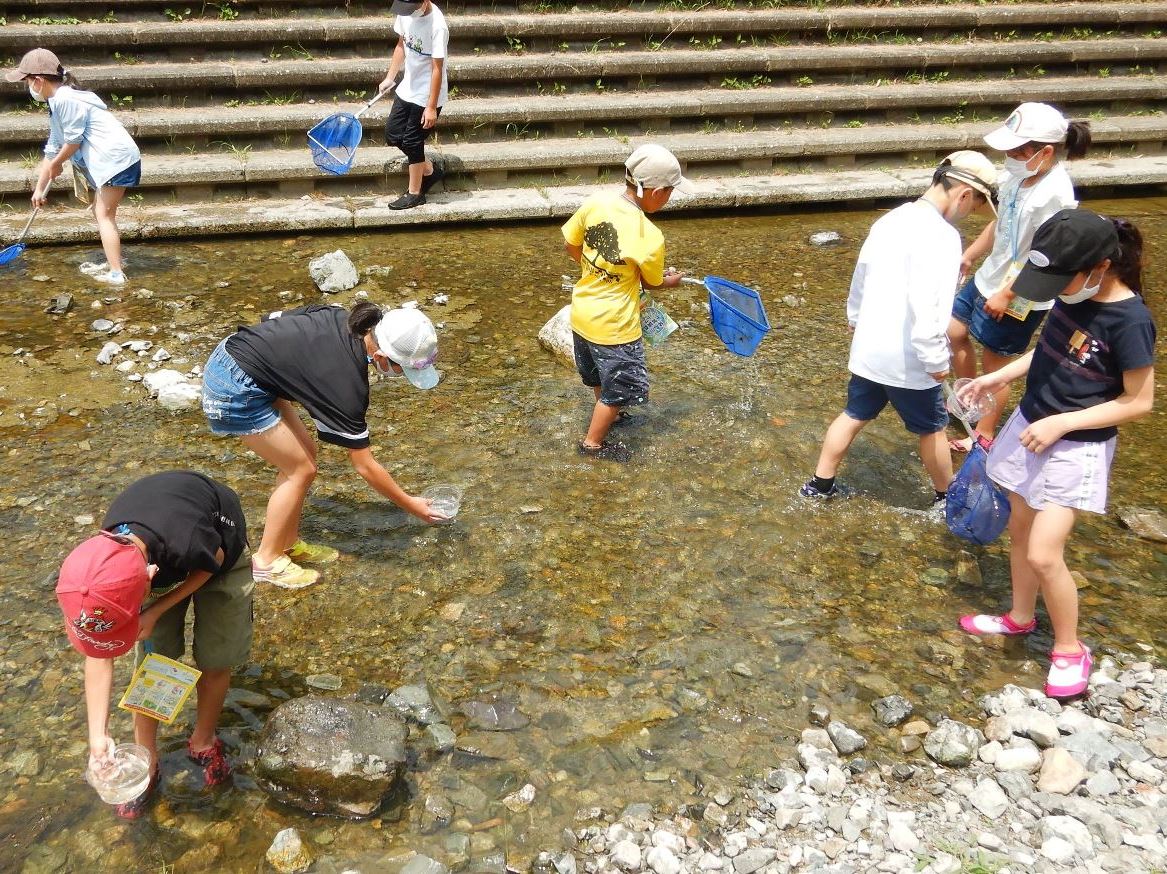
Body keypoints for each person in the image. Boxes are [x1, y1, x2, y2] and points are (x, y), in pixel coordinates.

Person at [956, 209, 1155, 699]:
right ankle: (1020, 617)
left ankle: (1070, 648)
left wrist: (1063, 421)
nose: (1056, 290)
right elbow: (1049, 350)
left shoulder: (1130, 320)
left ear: (1100, 268)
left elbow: (1140, 401)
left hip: (1075, 446)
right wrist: (998, 377)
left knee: (1046, 554)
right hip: (1030, 427)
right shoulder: (1070, 294)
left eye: (1061, 281)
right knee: (1019, 531)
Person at [201, 302, 448, 589]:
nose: (402, 377)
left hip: (246, 361)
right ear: (380, 356)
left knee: (306, 457)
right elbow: (364, 466)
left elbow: (271, 321)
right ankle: (266, 562)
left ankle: (288, 542)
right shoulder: (347, 385)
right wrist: (410, 505)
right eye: (402, 370)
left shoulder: (345, 316)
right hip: (233, 386)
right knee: (300, 470)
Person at [800, 151, 997, 507]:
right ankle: (945, 497)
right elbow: (929, 307)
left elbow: (861, 275)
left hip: (870, 348)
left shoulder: (890, 219)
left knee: (853, 415)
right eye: (973, 207)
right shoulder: (943, 236)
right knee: (932, 427)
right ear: (964, 195)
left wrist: (856, 318)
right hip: (910, 358)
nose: (968, 214)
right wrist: (936, 358)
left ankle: (819, 484)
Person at [56, 471, 251, 819]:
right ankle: (148, 756)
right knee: (154, 663)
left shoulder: (189, 540)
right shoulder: (97, 571)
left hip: (219, 551)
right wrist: (97, 738)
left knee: (216, 654)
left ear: (149, 580)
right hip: (160, 553)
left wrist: (157, 609)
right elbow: (99, 656)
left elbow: (215, 561)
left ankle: (203, 741)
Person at [947, 103, 1091, 450]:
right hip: (991, 274)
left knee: (997, 363)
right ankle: (970, 396)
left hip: (1022, 291)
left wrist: (1007, 295)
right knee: (953, 330)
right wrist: (969, 256)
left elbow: (1046, 257)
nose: (1010, 155)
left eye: (1017, 149)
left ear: (1045, 152)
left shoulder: (1055, 194)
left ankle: (983, 434)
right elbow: (1002, 223)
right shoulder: (1016, 175)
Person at [561, 143, 691, 462]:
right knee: (621, 389)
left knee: (599, 377)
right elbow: (652, 281)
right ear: (657, 192)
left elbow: (571, 242)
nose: (669, 198)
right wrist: (669, 280)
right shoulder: (649, 234)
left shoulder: (596, 203)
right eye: (670, 192)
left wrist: (598, 270)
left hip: (583, 314)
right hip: (616, 326)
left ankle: (610, 415)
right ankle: (593, 444)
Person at [5, 48, 141, 286]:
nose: (26, 86)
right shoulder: (57, 103)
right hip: (110, 160)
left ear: (38, 81)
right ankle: (115, 260)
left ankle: (117, 273)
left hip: (115, 160)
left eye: (26, 81)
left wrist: (58, 164)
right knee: (102, 213)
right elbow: (53, 148)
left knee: (104, 215)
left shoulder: (67, 100)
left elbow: (73, 142)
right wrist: (39, 188)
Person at [378, 0, 449, 210]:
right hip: (408, 86)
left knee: (412, 140)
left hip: (427, 93)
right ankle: (428, 169)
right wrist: (390, 77)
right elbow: (401, 44)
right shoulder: (406, 13)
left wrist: (431, 106)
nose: (408, 13)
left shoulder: (437, 26)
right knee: (393, 134)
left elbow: (437, 69)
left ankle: (415, 193)